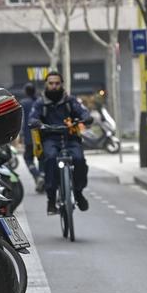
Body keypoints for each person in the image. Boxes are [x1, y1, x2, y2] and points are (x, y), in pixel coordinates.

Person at [28, 70, 92, 215]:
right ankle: (51, 200)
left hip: (70, 138)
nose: (54, 86)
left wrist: (86, 117)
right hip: (50, 140)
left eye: (57, 83)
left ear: (62, 84)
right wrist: (35, 122)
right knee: (50, 160)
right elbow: (32, 118)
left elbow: (82, 112)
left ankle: (79, 192)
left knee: (79, 159)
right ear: (46, 85)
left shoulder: (70, 101)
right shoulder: (40, 103)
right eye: (51, 83)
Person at [18, 83, 42, 188]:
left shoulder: (23, 103)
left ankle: (37, 176)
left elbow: (22, 121)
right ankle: (42, 176)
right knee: (42, 158)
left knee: (28, 158)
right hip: (41, 135)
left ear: (25, 92)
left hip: (29, 137)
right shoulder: (39, 102)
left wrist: (21, 135)